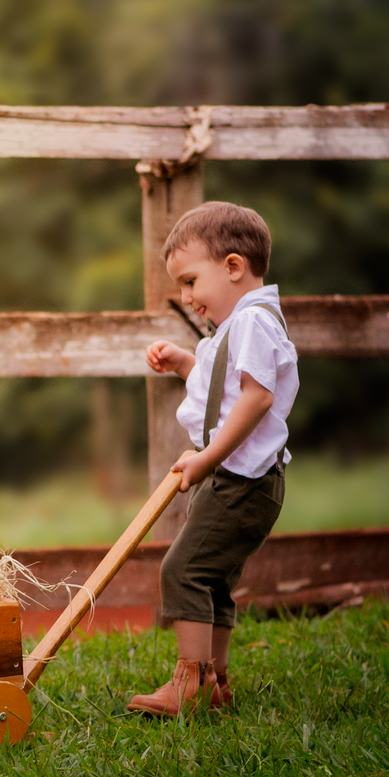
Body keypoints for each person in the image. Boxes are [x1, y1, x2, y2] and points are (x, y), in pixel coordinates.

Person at [128, 201, 299, 717]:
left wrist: (205, 461)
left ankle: (191, 682)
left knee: (182, 571)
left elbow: (255, 398)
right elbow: (228, 390)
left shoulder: (251, 324)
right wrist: (186, 362)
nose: (185, 298)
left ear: (232, 266)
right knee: (214, 578)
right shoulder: (242, 325)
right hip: (247, 477)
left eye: (189, 281)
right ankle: (216, 682)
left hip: (239, 477)